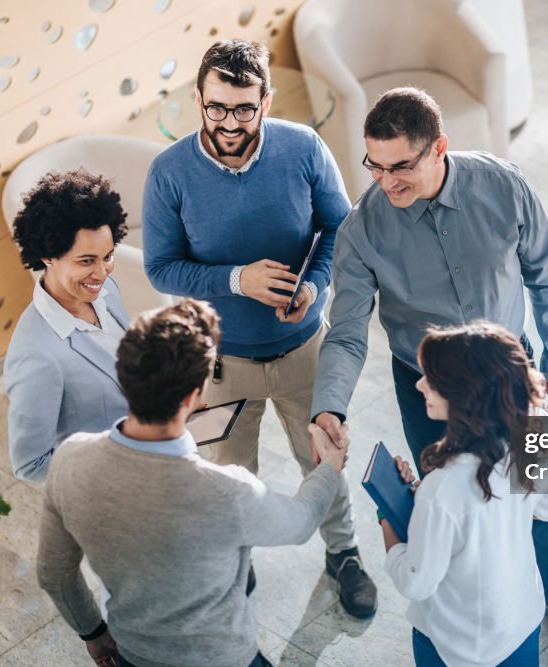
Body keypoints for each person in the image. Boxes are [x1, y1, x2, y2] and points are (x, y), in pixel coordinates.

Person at [311, 87, 548, 658]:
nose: (386, 182)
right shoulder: (362, 230)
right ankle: (461, 619)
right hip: (428, 389)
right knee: (445, 503)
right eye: (375, 165)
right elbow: (347, 331)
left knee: (540, 492)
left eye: (402, 166)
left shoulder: (503, 185)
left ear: (439, 148)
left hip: (508, 371)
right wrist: (331, 406)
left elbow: (546, 276)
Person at [142, 40, 377, 618]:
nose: (228, 122)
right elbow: (160, 266)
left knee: (323, 457)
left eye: (244, 108)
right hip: (219, 363)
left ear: (266, 101)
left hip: (304, 350)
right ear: (198, 98)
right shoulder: (168, 172)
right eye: (216, 107)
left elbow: (339, 229)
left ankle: (343, 553)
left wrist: (315, 285)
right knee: (228, 474)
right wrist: (236, 281)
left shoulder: (303, 148)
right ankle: (235, 561)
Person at [36, 298, 349, 667]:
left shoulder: (69, 460)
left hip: (135, 663)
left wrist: (93, 631)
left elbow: (54, 574)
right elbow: (300, 522)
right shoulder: (226, 492)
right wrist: (330, 468)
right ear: (192, 398)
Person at [381, 321, 546, 667]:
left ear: (463, 393)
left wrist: (390, 526)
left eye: (432, 378)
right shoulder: (532, 440)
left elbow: (416, 583)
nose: (420, 384)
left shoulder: (442, 489)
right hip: (520, 619)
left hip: (456, 647)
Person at [4, 169, 130, 482]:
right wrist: (122, 469)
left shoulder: (107, 291)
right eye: (86, 261)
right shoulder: (36, 355)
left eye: (108, 256)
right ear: (48, 256)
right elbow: (30, 465)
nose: (101, 273)